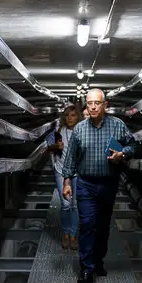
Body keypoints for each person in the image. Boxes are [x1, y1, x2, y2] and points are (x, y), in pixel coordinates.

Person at [61, 89, 138, 283]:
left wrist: (123, 154)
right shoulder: (80, 129)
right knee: (87, 224)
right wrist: (67, 182)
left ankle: (98, 261)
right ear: (86, 106)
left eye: (97, 103)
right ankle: (87, 268)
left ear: (105, 104)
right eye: (89, 103)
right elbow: (71, 158)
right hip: (86, 184)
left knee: (103, 226)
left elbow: (132, 145)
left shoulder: (117, 125)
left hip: (108, 183)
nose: (93, 106)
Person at [45, 103, 82, 250]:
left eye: (72, 115)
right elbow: (46, 148)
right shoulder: (58, 131)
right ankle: (66, 233)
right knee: (66, 205)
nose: (69, 118)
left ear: (78, 117)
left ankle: (73, 235)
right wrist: (56, 146)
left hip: (77, 173)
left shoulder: (82, 131)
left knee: (75, 205)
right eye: (67, 116)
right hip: (60, 171)